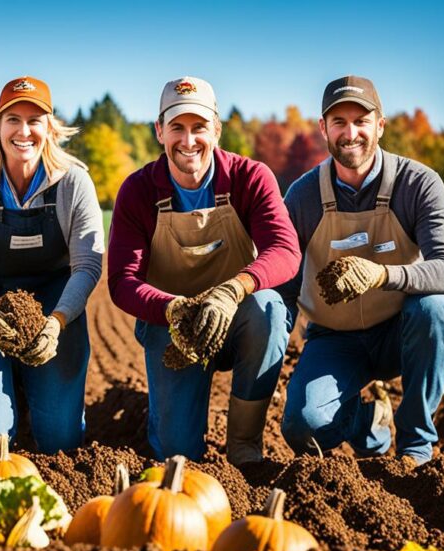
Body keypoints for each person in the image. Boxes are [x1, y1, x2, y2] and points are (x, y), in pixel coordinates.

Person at [108, 77, 301, 464]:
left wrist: (232, 291)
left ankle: (244, 445)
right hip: (172, 326)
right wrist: (175, 309)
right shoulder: (138, 190)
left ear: (216, 129)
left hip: (240, 318)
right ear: (159, 131)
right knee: (178, 454)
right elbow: (122, 281)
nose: (188, 140)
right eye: (177, 127)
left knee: (269, 309)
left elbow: (285, 250)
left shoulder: (250, 177)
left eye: (199, 127)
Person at [278, 75, 444, 466]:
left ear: (380, 125)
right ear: (323, 129)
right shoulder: (304, 196)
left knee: (435, 309)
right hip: (334, 338)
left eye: (361, 121)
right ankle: (369, 422)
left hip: (400, 329)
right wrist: (267, 353)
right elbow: (286, 287)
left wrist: (382, 275)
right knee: (303, 427)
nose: (351, 133)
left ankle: (415, 444)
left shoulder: (418, 184)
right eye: (339, 122)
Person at [0, 76, 104, 453]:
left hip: (53, 305)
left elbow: (87, 266)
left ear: (50, 127)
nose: (24, 131)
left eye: (35, 120)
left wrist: (57, 322)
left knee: (60, 442)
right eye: (13, 119)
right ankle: (2, 385)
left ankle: (35, 390)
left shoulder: (73, 182)